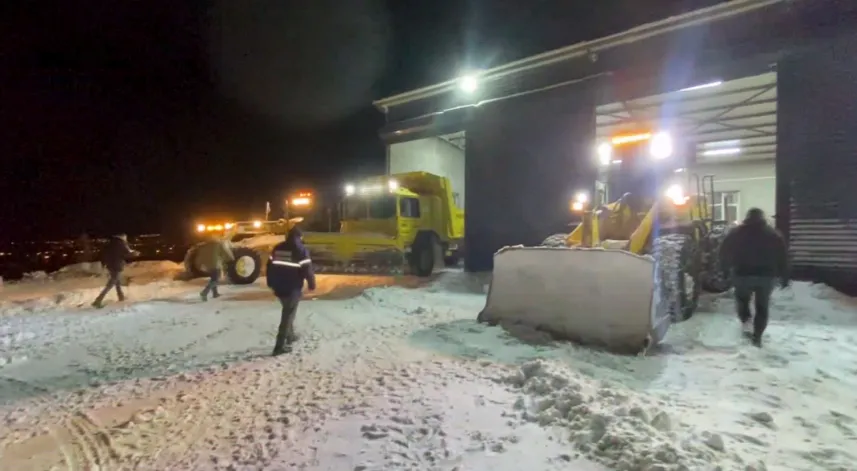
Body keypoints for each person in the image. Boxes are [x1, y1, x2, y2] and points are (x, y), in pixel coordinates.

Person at [720, 208, 789, 347]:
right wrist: (784, 276)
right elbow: (783, 256)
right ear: (763, 218)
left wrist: (725, 271)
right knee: (762, 307)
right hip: (766, 276)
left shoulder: (735, 233)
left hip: (742, 274)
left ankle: (746, 322)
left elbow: (723, 252)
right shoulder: (773, 234)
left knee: (742, 301)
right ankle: (757, 336)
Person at [266, 226, 316, 356]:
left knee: (288, 310)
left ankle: (290, 336)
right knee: (288, 315)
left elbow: (269, 266)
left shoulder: (277, 248)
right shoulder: (300, 250)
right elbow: (307, 269)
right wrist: (312, 284)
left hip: (278, 286)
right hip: (292, 287)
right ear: (299, 237)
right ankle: (279, 346)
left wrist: (270, 282)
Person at [92, 234, 139, 308]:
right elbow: (126, 254)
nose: (126, 239)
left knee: (117, 281)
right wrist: (135, 253)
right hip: (117, 265)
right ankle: (98, 301)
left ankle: (121, 297)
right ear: (122, 237)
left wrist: (104, 264)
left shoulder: (110, 243)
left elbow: (104, 254)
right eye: (125, 237)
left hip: (110, 265)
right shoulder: (121, 244)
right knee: (111, 283)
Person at [196, 236, 235, 301]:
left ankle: (215, 293)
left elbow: (200, 257)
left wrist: (199, 265)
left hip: (208, 266)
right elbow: (225, 252)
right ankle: (204, 292)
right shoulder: (218, 244)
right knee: (216, 280)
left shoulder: (204, 246)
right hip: (216, 264)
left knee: (213, 278)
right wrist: (231, 259)